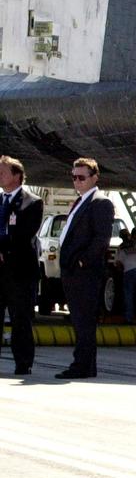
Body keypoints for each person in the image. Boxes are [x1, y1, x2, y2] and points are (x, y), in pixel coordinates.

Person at [55, 158, 116, 380]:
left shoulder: (100, 203)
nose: (76, 181)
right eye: (74, 177)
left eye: (81, 177)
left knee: (84, 321)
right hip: (73, 270)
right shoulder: (81, 201)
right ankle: (86, 366)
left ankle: (82, 365)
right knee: (79, 320)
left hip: (84, 272)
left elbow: (102, 238)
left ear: (94, 178)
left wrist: (82, 262)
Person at [0, 156, 43, 375]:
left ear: (17, 176)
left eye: (2, 171)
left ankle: (23, 363)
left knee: (21, 320)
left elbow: (25, 234)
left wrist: (3, 250)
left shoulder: (32, 202)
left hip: (20, 271)